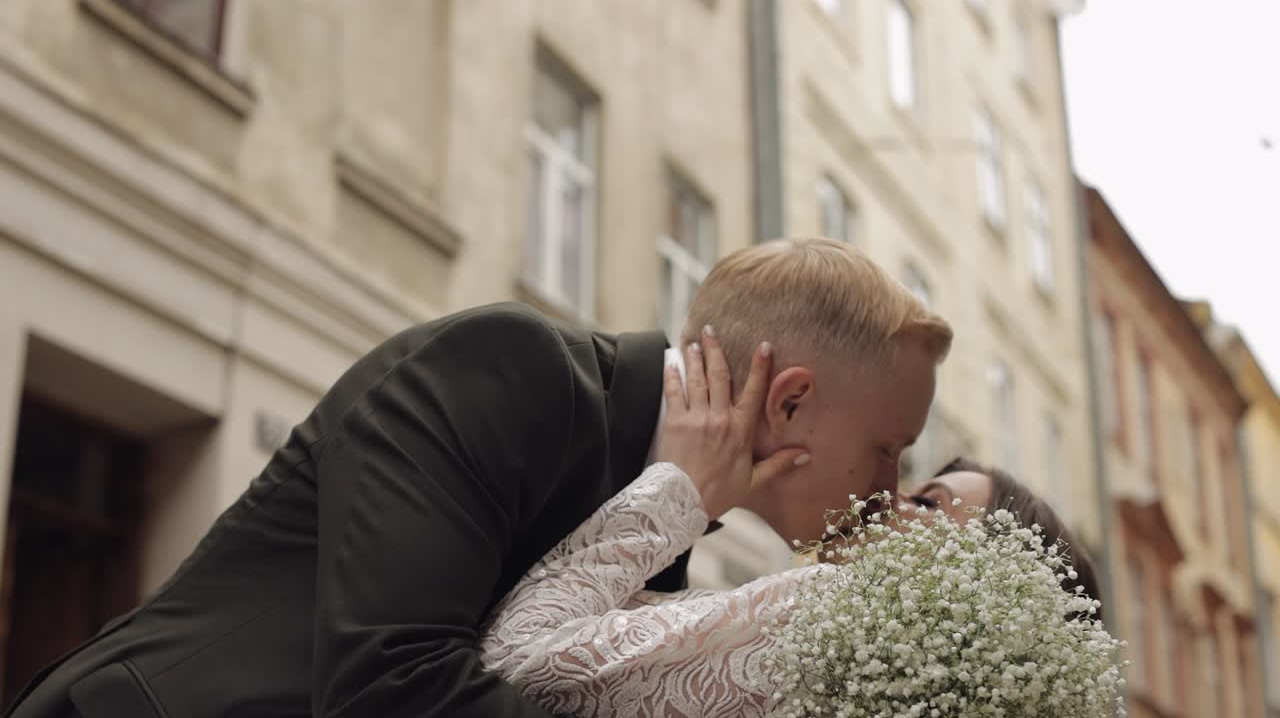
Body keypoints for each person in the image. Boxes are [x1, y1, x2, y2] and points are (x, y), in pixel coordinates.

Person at [5, 238, 951, 718]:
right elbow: (395, 686)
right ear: (787, 404)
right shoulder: (508, 366)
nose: (895, 490)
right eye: (888, 451)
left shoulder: (664, 526)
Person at [477, 334, 1103, 717]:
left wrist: (681, 490)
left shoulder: (837, 619)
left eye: (930, 504)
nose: (887, 496)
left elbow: (516, 660)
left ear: (989, 594)